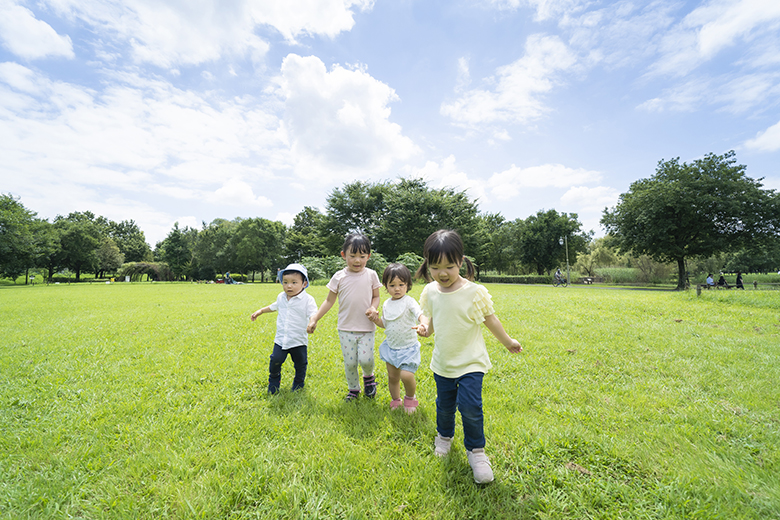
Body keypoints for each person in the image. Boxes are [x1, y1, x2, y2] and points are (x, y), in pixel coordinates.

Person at [414, 229, 523, 484]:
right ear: (427, 264)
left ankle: (477, 452)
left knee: (471, 407)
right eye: (435, 267)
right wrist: (424, 329)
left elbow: (490, 319)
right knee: (444, 405)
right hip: (443, 362)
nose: (442, 273)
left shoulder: (474, 292)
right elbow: (430, 320)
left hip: (471, 362)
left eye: (449, 266)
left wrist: (508, 342)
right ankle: (444, 437)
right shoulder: (431, 291)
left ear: (461, 261)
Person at [307, 234, 382, 401]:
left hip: (366, 327)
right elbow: (329, 300)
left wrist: (372, 307)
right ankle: (354, 390)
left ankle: (369, 378)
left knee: (366, 359)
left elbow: (376, 296)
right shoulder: (339, 276)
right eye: (352, 256)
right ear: (343, 255)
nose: (357, 260)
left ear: (368, 257)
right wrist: (315, 319)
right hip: (346, 328)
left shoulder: (371, 275)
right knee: (350, 363)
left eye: (362, 257)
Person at [251, 264, 317, 394]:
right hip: (281, 339)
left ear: (304, 284)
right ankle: (274, 383)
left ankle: (298, 384)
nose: (289, 286)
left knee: (300, 364)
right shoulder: (281, 297)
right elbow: (273, 306)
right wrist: (260, 311)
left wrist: (312, 322)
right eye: (285, 282)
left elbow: (313, 313)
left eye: (294, 282)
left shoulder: (308, 300)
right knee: (275, 360)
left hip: (298, 340)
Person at [366, 263, 424, 414]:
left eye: (401, 284)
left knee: (406, 375)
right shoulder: (386, 304)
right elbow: (385, 323)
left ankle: (410, 399)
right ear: (385, 286)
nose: (397, 289)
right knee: (393, 377)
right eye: (392, 285)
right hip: (391, 347)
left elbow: (419, 313)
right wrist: (375, 319)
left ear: (407, 285)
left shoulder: (409, 301)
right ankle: (396, 400)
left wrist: (423, 323)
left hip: (408, 347)